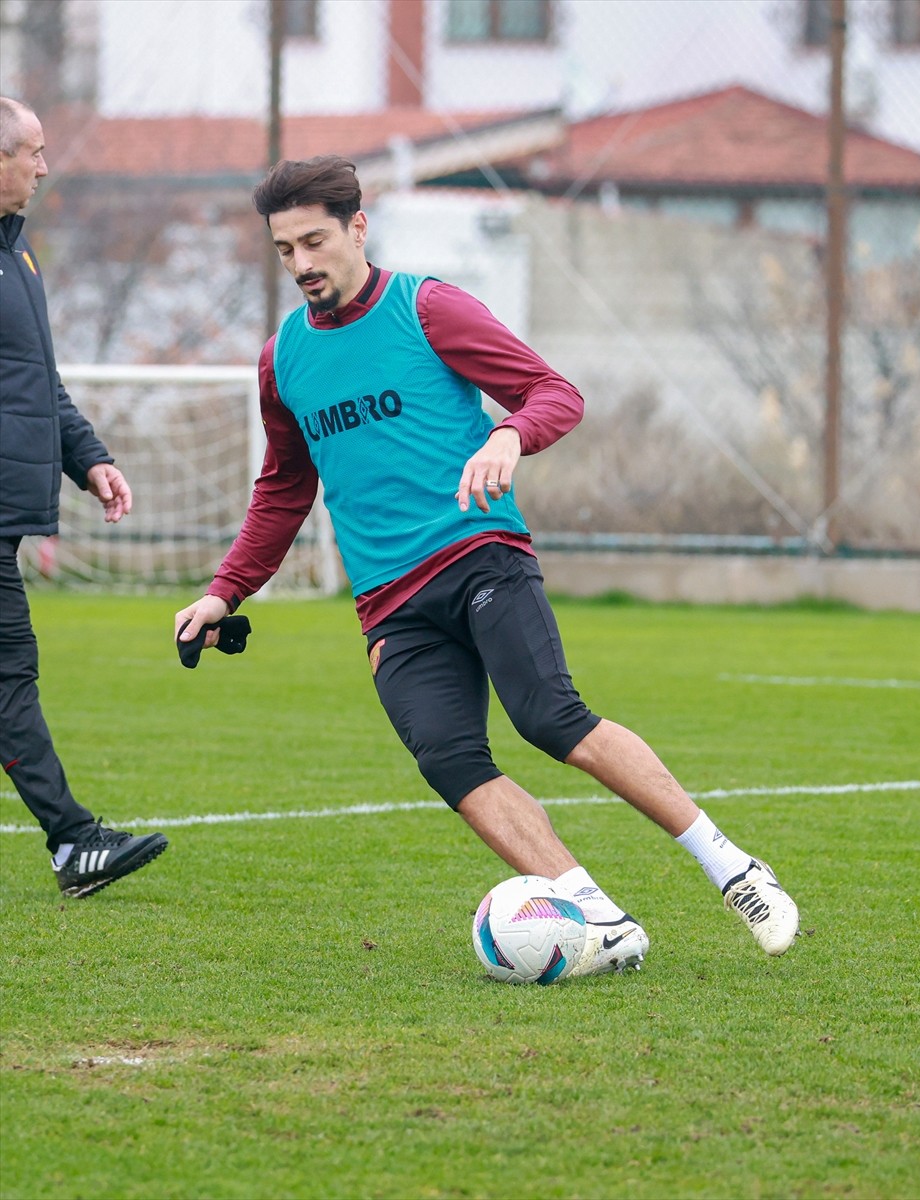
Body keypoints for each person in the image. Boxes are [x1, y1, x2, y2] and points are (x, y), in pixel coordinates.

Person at [176, 155, 799, 972]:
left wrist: (509, 433)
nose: (301, 265)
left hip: (479, 555)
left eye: (315, 242)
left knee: (551, 720)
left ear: (358, 227)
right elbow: (284, 488)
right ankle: (600, 920)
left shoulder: (427, 308)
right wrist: (226, 591)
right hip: (388, 605)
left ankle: (735, 870)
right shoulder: (281, 358)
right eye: (285, 249)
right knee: (449, 760)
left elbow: (554, 394)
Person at [0, 97, 169, 897]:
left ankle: (72, 842)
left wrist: (89, 459)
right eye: (31, 151)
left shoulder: (18, 256)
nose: (42, 165)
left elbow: (37, 387)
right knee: (7, 675)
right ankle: (73, 843)